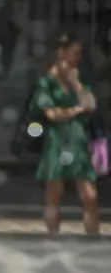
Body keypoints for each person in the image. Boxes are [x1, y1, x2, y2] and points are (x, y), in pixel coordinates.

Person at [33, 32, 100, 235]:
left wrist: (75, 83)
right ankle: (53, 235)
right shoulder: (47, 82)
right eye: (75, 53)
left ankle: (93, 236)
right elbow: (52, 114)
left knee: (90, 195)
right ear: (62, 53)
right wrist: (77, 110)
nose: (78, 58)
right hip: (57, 141)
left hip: (76, 140)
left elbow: (91, 105)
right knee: (54, 193)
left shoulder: (77, 78)